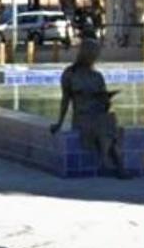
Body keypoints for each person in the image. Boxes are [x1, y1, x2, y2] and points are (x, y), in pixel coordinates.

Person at [49, 38, 129, 179]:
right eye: (93, 54)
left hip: (98, 113)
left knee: (109, 119)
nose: (95, 57)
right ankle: (114, 162)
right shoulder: (70, 74)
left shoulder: (97, 76)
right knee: (105, 125)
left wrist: (106, 99)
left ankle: (109, 159)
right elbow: (65, 99)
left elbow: (105, 104)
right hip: (82, 116)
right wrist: (59, 123)